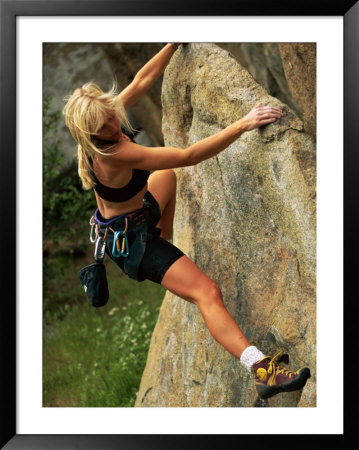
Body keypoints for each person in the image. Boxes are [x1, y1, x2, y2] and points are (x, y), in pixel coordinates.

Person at [63, 43, 310, 401]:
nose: (116, 125)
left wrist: (174, 41)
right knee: (207, 292)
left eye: (113, 117)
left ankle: (167, 242)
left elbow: (144, 77)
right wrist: (242, 123)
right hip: (134, 246)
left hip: (137, 220)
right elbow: (188, 155)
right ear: (91, 136)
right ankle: (262, 370)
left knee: (165, 176)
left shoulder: (102, 122)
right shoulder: (114, 153)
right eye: (106, 127)